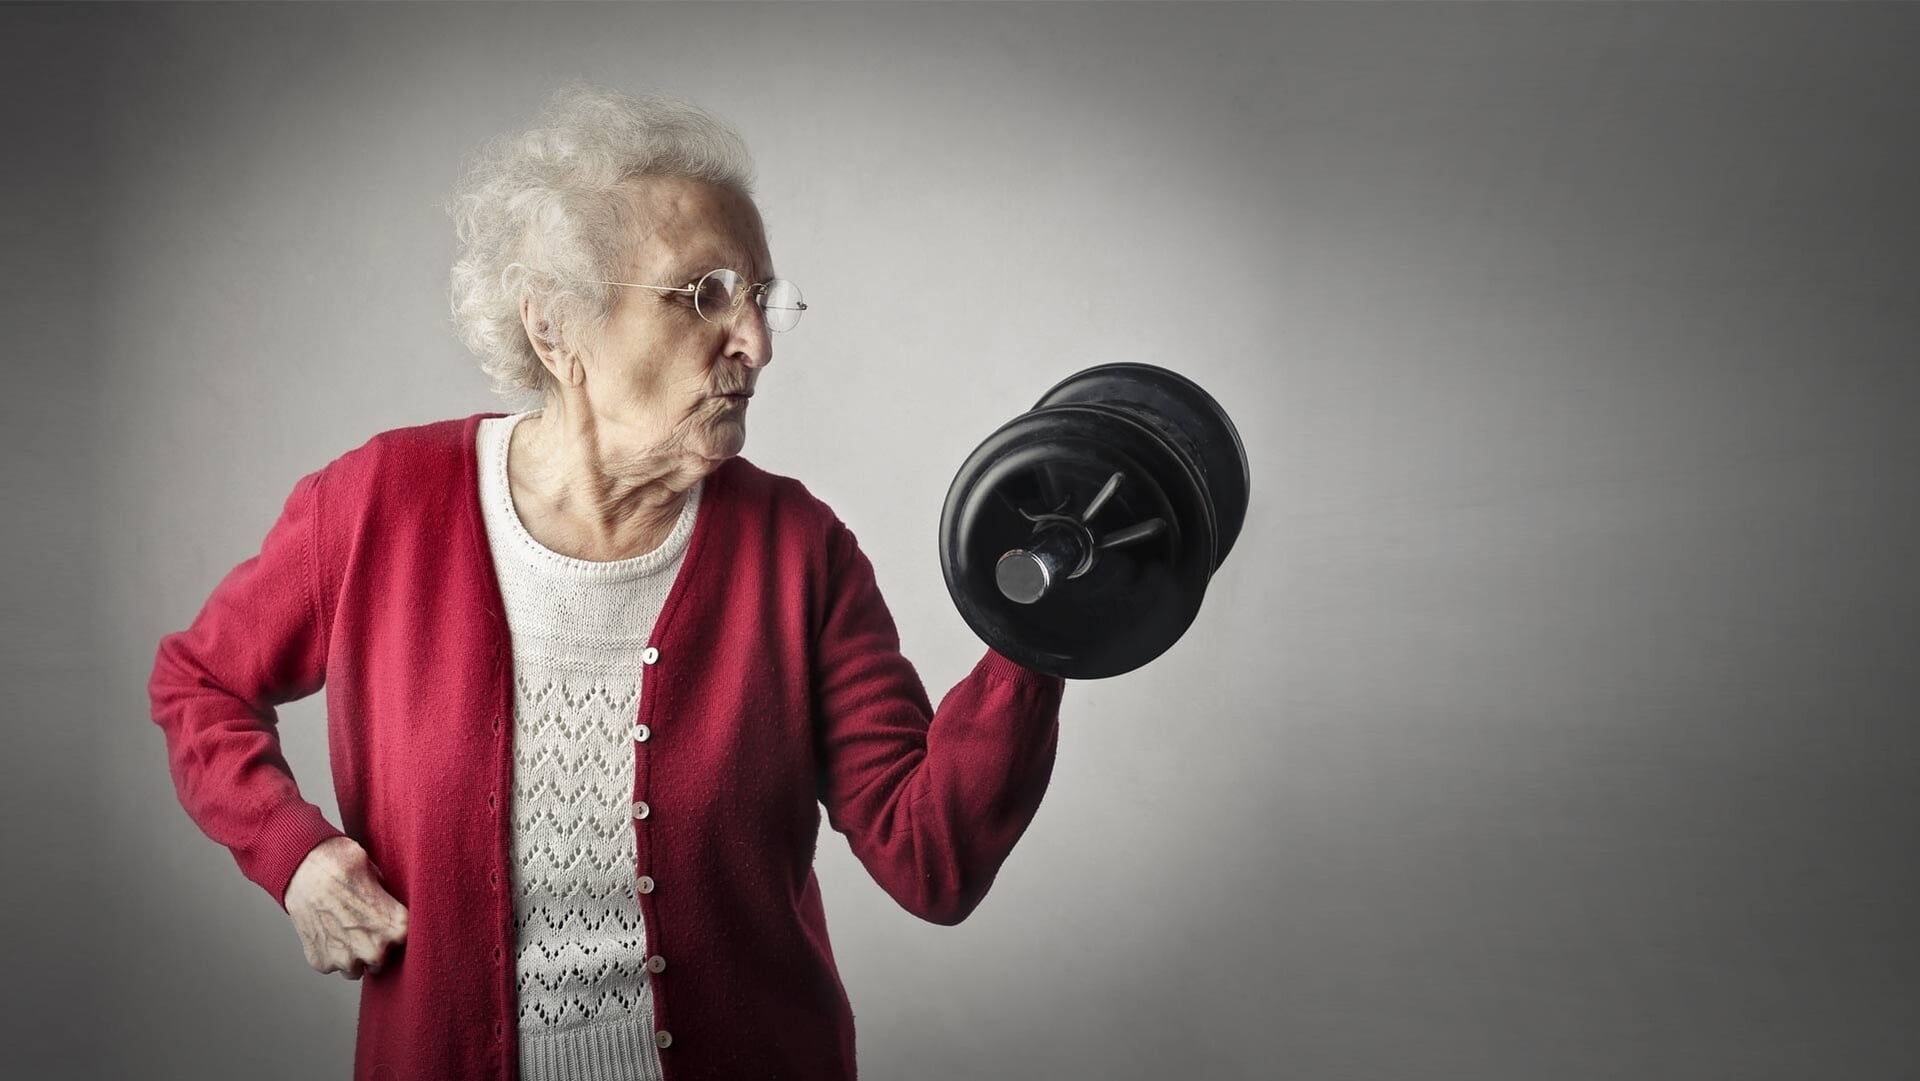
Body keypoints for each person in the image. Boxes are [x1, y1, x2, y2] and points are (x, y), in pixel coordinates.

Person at [147, 85, 1067, 1081]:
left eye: (762, 298)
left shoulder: (799, 551)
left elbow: (928, 854)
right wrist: (295, 855)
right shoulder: (378, 505)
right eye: (706, 294)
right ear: (556, 328)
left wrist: (1045, 631)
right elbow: (198, 681)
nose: (754, 340)